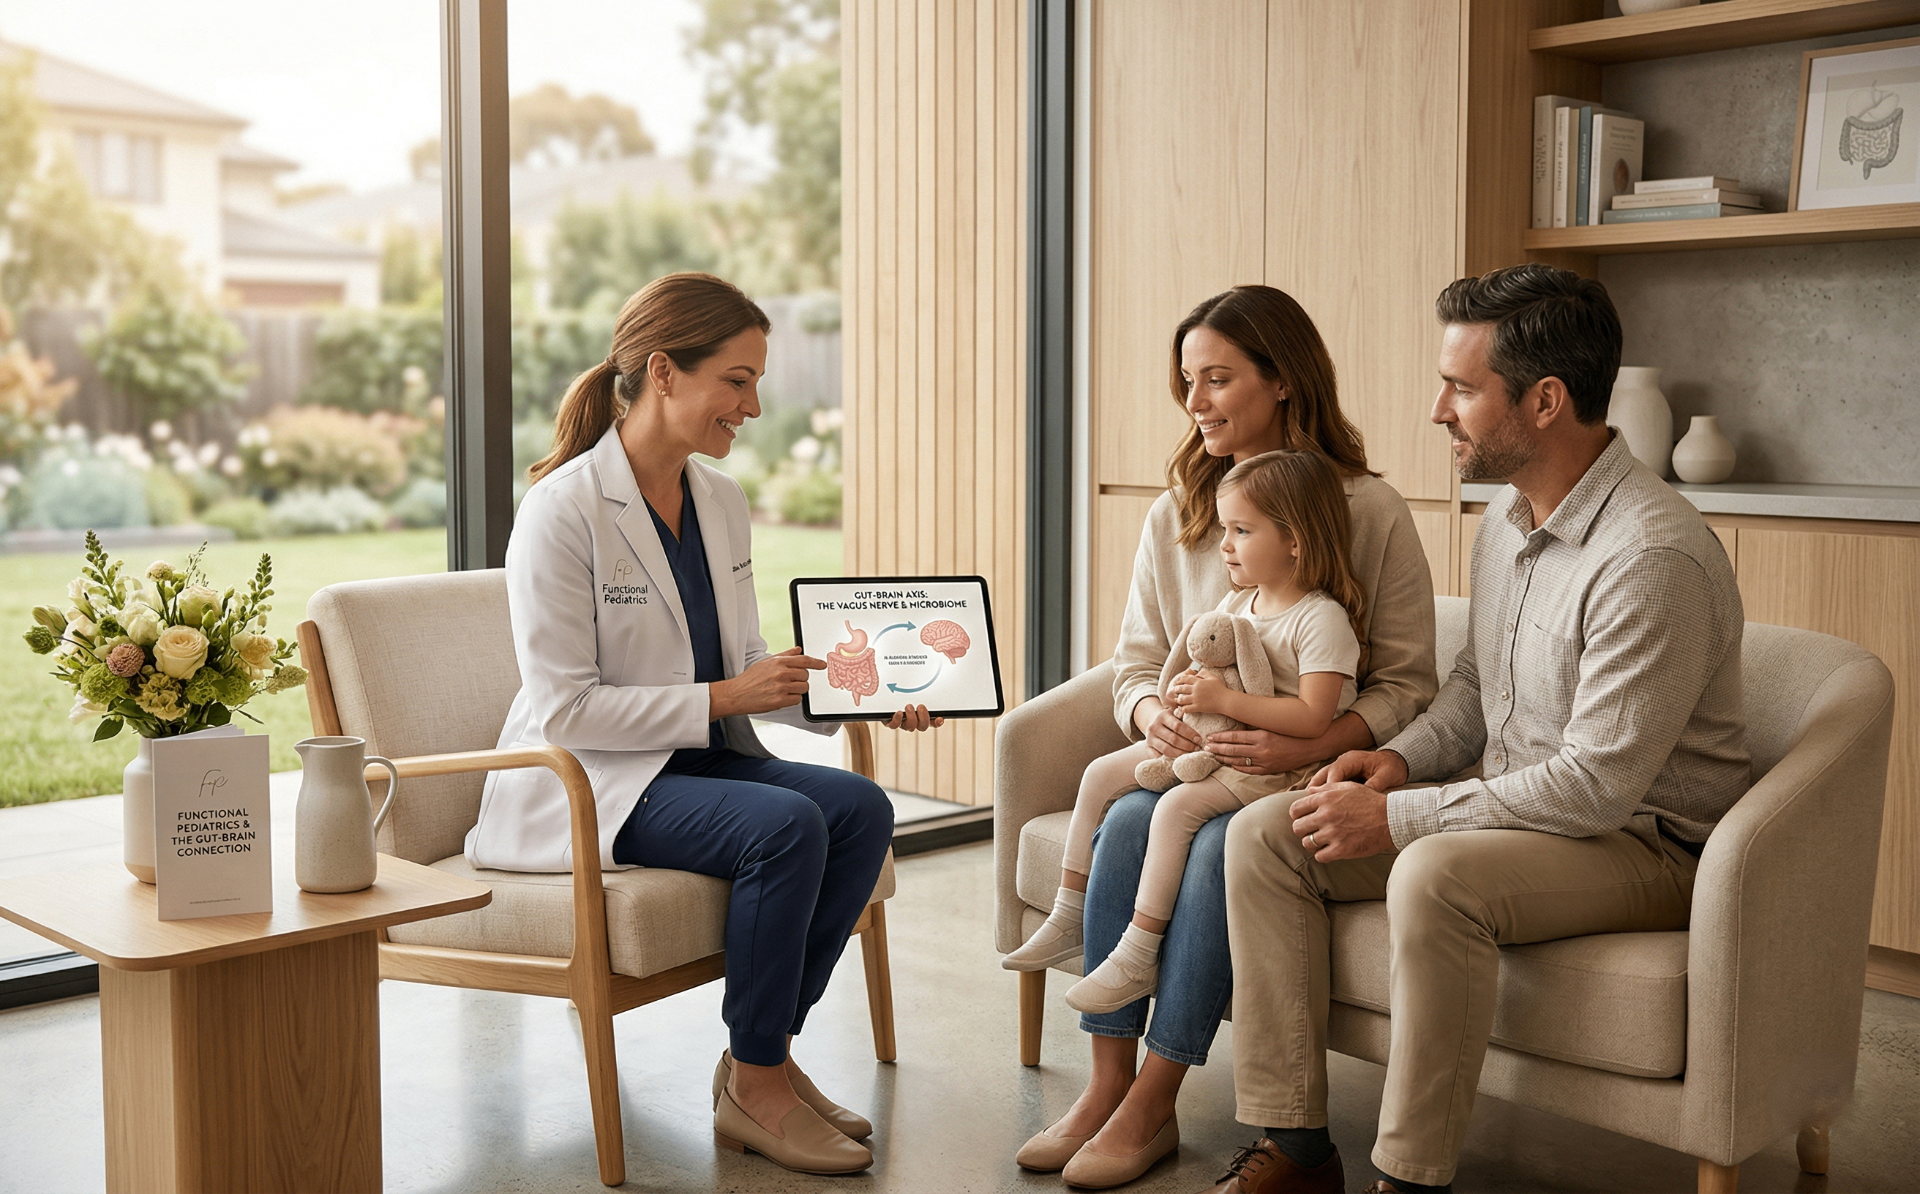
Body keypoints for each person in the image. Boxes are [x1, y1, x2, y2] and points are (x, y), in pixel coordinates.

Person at [1205, 263, 1749, 1194]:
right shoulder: (1506, 516)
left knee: (1436, 870)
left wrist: (1407, 818)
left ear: (1544, 401)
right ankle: (1296, 1149)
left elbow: (1594, 786)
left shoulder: (1651, 556)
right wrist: (1392, 759)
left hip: (1638, 839)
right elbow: (1475, 685)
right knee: (1265, 834)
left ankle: (1411, 1179)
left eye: (1461, 387)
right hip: (1518, 807)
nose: (1436, 410)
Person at [466, 272, 940, 1178]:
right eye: (738, 379)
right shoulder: (562, 512)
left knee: (862, 810)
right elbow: (568, 708)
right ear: (664, 373)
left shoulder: (718, 500)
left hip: (697, 761)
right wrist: (728, 698)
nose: (753, 406)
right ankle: (757, 1088)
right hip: (594, 778)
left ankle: (758, 1062)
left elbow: (746, 660)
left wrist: (858, 691)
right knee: (787, 824)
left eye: (755, 382)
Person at [1010, 285, 1439, 1190]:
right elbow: (1133, 667)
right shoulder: (1176, 514)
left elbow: (1408, 684)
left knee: (1210, 848)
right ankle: (1106, 1085)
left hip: (1301, 770)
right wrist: (1148, 716)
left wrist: (1312, 745)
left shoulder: (1368, 510)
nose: (1194, 401)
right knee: (1128, 820)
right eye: (1186, 381)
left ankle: (1153, 1101)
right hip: (1198, 750)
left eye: (1217, 379)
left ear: (1283, 381)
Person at [1003, 449, 1367, 1020]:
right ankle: (1070, 910)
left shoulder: (1320, 619)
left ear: (1294, 540)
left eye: (1242, 531)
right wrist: (1180, 701)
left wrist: (1223, 701)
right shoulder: (1238, 601)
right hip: (1215, 743)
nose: (1225, 545)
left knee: (1175, 810)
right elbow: (1198, 663)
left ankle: (1139, 948)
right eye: (1226, 528)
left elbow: (1314, 717)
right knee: (1100, 774)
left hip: (1269, 770)